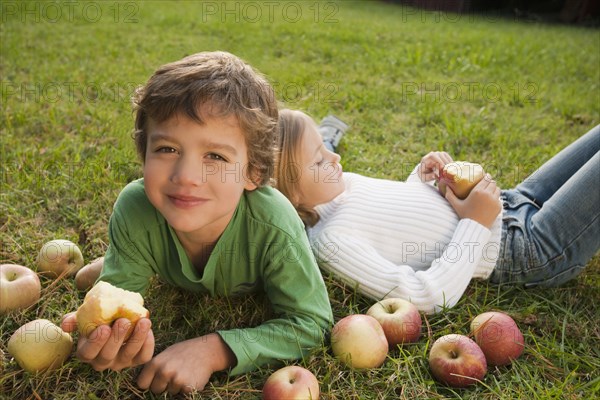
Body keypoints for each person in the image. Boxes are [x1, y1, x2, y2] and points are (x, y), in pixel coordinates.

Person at [61, 53, 333, 396]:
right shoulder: (136, 208)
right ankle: (119, 259)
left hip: (288, 213)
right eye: (167, 148)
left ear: (254, 173)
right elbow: (116, 308)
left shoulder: (275, 225)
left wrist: (213, 350)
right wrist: (116, 338)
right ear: (143, 153)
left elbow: (311, 323)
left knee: (314, 186)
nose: (186, 176)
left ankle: (328, 141)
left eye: (215, 156)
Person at [274, 109, 600, 314]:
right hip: (529, 249)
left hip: (514, 202)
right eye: (318, 160)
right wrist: (475, 222)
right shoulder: (332, 243)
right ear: (287, 195)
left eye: (324, 146)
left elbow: (398, 218)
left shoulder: (340, 185)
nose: (334, 159)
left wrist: (422, 178)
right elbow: (424, 296)